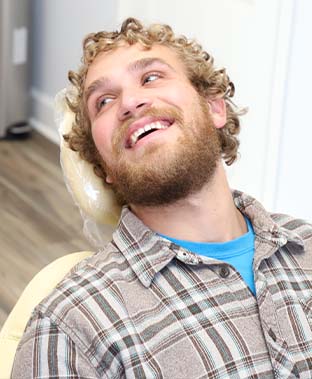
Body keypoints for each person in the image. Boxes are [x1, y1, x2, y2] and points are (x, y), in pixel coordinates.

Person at [12, 18, 312, 378]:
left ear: (214, 107)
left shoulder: (305, 245)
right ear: (103, 164)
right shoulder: (73, 328)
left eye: (151, 77)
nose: (131, 102)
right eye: (103, 101)